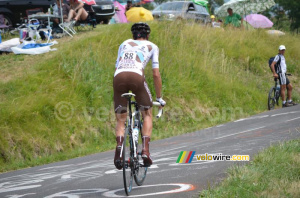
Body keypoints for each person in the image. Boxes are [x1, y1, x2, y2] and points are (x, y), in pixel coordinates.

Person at [113, 23, 166, 169]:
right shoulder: (152, 46)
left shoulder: (124, 43)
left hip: (118, 77)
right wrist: (159, 97)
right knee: (147, 113)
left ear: (133, 35)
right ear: (147, 35)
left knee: (121, 118)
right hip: (137, 77)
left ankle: (119, 148)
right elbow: (155, 74)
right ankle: (145, 151)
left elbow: (117, 66)